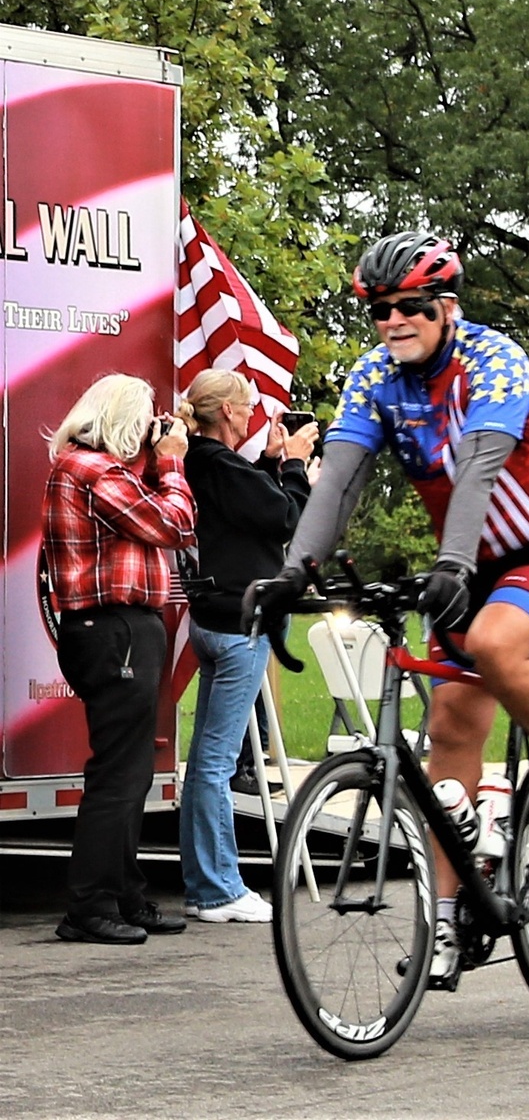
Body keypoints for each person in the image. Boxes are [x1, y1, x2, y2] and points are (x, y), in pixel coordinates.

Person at [245, 231, 529, 984]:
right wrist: (293, 572)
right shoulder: (374, 376)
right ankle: (445, 920)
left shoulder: (493, 357)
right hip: (469, 550)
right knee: (449, 732)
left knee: (494, 643)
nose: (392, 321)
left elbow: (481, 467)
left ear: (446, 307)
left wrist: (449, 562)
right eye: (380, 310)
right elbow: (339, 481)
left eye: (410, 306)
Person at [42, 374, 196, 944]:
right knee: (118, 774)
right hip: (115, 629)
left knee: (129, 771)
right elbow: (172, 524)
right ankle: (89, 906)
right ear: (125, 420)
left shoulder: (96, 470)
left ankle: (126, 896)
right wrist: (173, 464)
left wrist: (155, 466)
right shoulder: (92, 471)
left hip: (114, 631)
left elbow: (144, 514)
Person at [177, 369, 317, 923]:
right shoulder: (218, 462)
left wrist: (270, 463)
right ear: (230, 413)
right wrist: (296, 466)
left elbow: (248, 510)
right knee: (214, 762)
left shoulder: (204, 462)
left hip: (212, 619)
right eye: (249, 404)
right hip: (239, 626)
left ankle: (202, 882)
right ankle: (217, 888)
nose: (255, 412)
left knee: (206, 761)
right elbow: (285, 516)